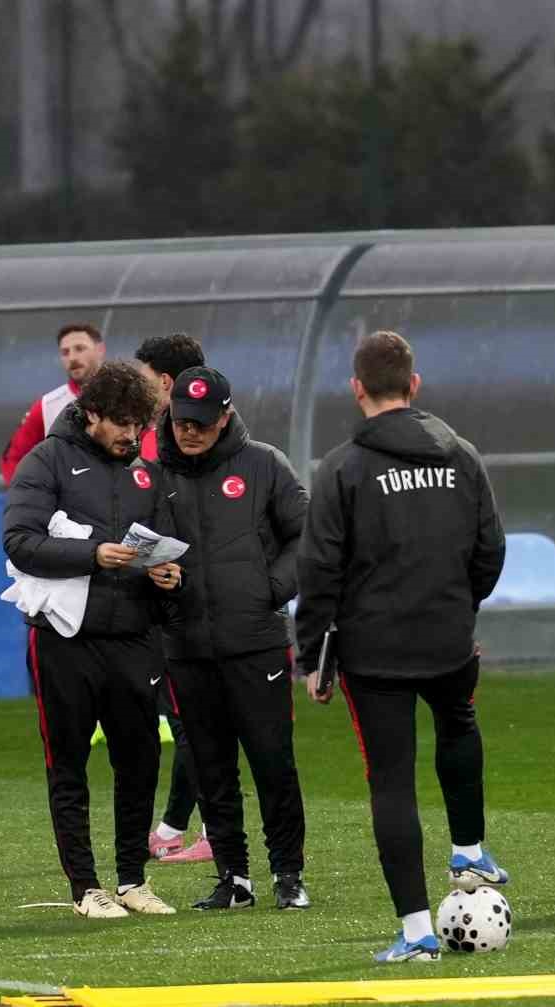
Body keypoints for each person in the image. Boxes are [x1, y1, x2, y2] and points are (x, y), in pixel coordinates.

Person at [296, 330, 507, 963]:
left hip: (374, 649)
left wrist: (313, 656)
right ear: (414, 386)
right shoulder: (461, 454)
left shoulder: (341, 469)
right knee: (459, 721)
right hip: (447, 636)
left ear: (357, 389)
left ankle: (417, 932)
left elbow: (319, 570)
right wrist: (458, 606)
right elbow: (489, 549)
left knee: (391, 782)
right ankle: (470, 851)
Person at [2, 360, 185, 919]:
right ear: (93, 414)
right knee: (69, 764)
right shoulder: (46, 461)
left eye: (142, 425)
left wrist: (168, 577)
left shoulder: (147, 472)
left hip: (134, 635)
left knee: (140, 759)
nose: (134, 436)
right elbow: (19, 541)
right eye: (124, 424)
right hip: (64, 639)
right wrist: (93, 555)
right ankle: (86, 887)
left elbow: (162, 545)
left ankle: (133, 879)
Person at [155, 366, 311, 911]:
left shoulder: (264, 464)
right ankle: (233, 878)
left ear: (225, 416)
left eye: (200, 422)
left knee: (272, 760)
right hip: (187, 646)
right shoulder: (151, 473)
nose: (189, 431)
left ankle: (288, 874)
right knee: (209, 765)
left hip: (258, 642)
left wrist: (273, 588)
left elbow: (306, 534)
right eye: (180, 420)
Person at [134, 333, 214, 864]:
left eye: (143, 377)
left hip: (183, 599)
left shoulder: (166, 444)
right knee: (189, 715)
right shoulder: (208, 436)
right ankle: (178, 827)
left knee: (191, 717)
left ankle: (204, 830)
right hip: (181, 595)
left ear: (163, 382)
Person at [0, 322, 106, 485]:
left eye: (80, 348)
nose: (72, 358)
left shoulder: (129, 395)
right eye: (65, 352)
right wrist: (27, 495)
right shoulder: (47, 405)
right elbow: (13, 457)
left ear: (100, 350)